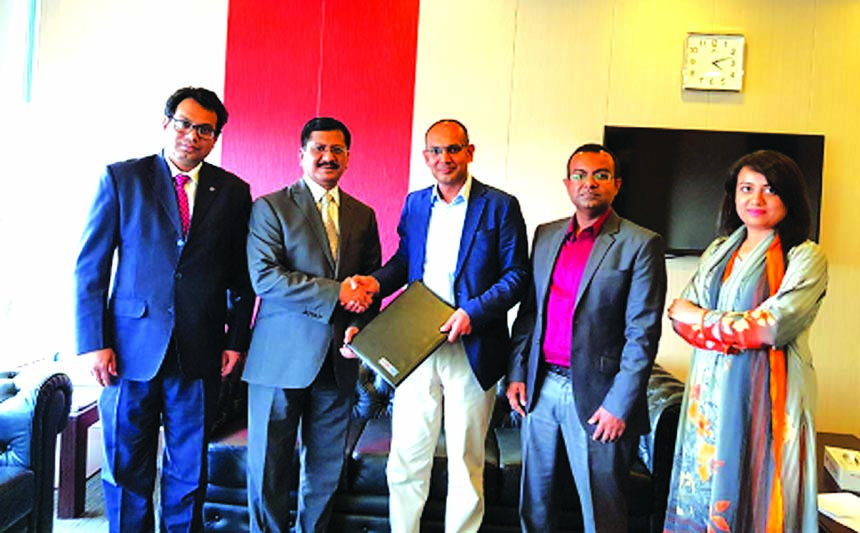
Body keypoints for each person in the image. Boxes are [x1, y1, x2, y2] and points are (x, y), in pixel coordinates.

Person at [74, 86, 254, 531]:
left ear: (215, 138)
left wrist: (236, 340)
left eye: (205, 130)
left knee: (189, 468)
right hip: (129, 349)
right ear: (166, 124)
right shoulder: (123, 178)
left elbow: (241, 276)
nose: (192, 135)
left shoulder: (232, 191)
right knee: (126, 465)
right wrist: (94, 343)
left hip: (200, 348)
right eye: (185, 124)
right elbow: (90, 267)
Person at [344, 119, 529, 532]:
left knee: (466, 459)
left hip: (473, 348)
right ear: (425, 157)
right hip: (418, 346)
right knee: (407, 456)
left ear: (469, 152)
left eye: (453, 150)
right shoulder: (415, 204)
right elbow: (405, 263)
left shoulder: (500, 206)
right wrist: (376, 281)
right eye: (435, 151)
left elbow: (517, 276)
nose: (444, 158)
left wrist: (472, 313)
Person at [663, 150, 828, 532]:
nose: (756, 200)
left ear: (790, 197)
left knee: (763, 490)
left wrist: (704, 319)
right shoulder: (719, 251)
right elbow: (678, 319)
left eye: (770, 190)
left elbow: (772, 328)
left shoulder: (805, 257)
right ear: (733, 196)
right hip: (709, 397)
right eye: (746, 188)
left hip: (771, 399)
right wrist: (732, 328)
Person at [506, 143, 667, 532]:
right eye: (580, 175)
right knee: (536, 502)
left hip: (600, 398)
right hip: (540, 388)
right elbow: (529, 312)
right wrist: (516, 373)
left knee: (602, 508)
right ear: (567, 183)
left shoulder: (640, 243)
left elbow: (642, 334)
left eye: (600, 175)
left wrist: (620, 405)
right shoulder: (546, 236)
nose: (589, 183)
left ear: (616, 185)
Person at [242, 117, 382, 532]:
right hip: (279, 359)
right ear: (301, 155)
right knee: (268, 468)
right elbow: (265, 277)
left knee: (324, 470)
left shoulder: (362, 214)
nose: (328, 157)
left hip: (338, 361)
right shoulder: (271, 206)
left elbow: (370, 282)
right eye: (319, 148)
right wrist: (338, 293)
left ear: (348, 158)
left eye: (337, 150)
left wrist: (361, 326)